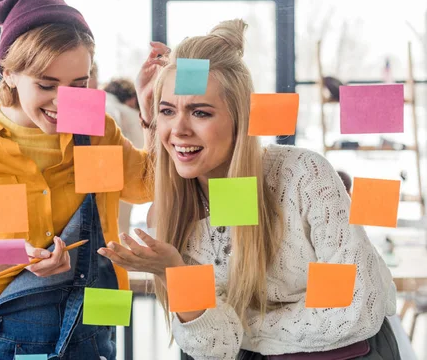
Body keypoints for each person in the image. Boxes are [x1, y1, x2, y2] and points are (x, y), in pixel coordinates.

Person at [98, 19, 399, 359]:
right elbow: (215, 346)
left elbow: (358, 308)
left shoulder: (303, 175)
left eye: (200, 112)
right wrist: (176, 274)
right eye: (167, 110)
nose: (179, 129)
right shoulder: (173, 212)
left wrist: (241, 327)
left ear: (240, 119)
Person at [0, 0, 168, 360]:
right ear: (9, 73)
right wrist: (11, 255)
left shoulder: (94, 129)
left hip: (92, 332)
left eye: (77, 84)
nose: (64, 102)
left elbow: (149, 183)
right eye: (47, 85)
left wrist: (150, 108)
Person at [104, 78, 144, 235]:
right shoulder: (128, 113)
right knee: (120, 228)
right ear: (133, 99)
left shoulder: (100, 105)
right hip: (123, 177)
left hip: (94, 177)